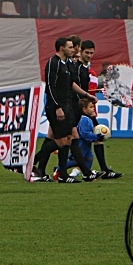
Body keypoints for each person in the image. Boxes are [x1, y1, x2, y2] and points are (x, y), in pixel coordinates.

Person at [30, 37, 96, 184]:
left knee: (67, 139)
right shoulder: (53, 63)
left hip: (67, 106)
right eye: (70, 47)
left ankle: (62, 175)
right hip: (57, 107)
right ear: (62, 48)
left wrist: (86, 95)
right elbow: (50, 87)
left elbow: (71, 84)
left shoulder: (66, 64)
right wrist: (57, 107)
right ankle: (31, 163)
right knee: (61, 141)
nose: (73, 50)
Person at [62, 98, 122, 180]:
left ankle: (87, 173)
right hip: (81, 145)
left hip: (86, 145)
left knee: (89, 158)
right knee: (78, 160)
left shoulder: (88, 119)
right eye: (91, 107)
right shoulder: (84, 119)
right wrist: (96, 136)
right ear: (84, 109)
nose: (93, 108)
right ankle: (59, 168)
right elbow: (85, 134)